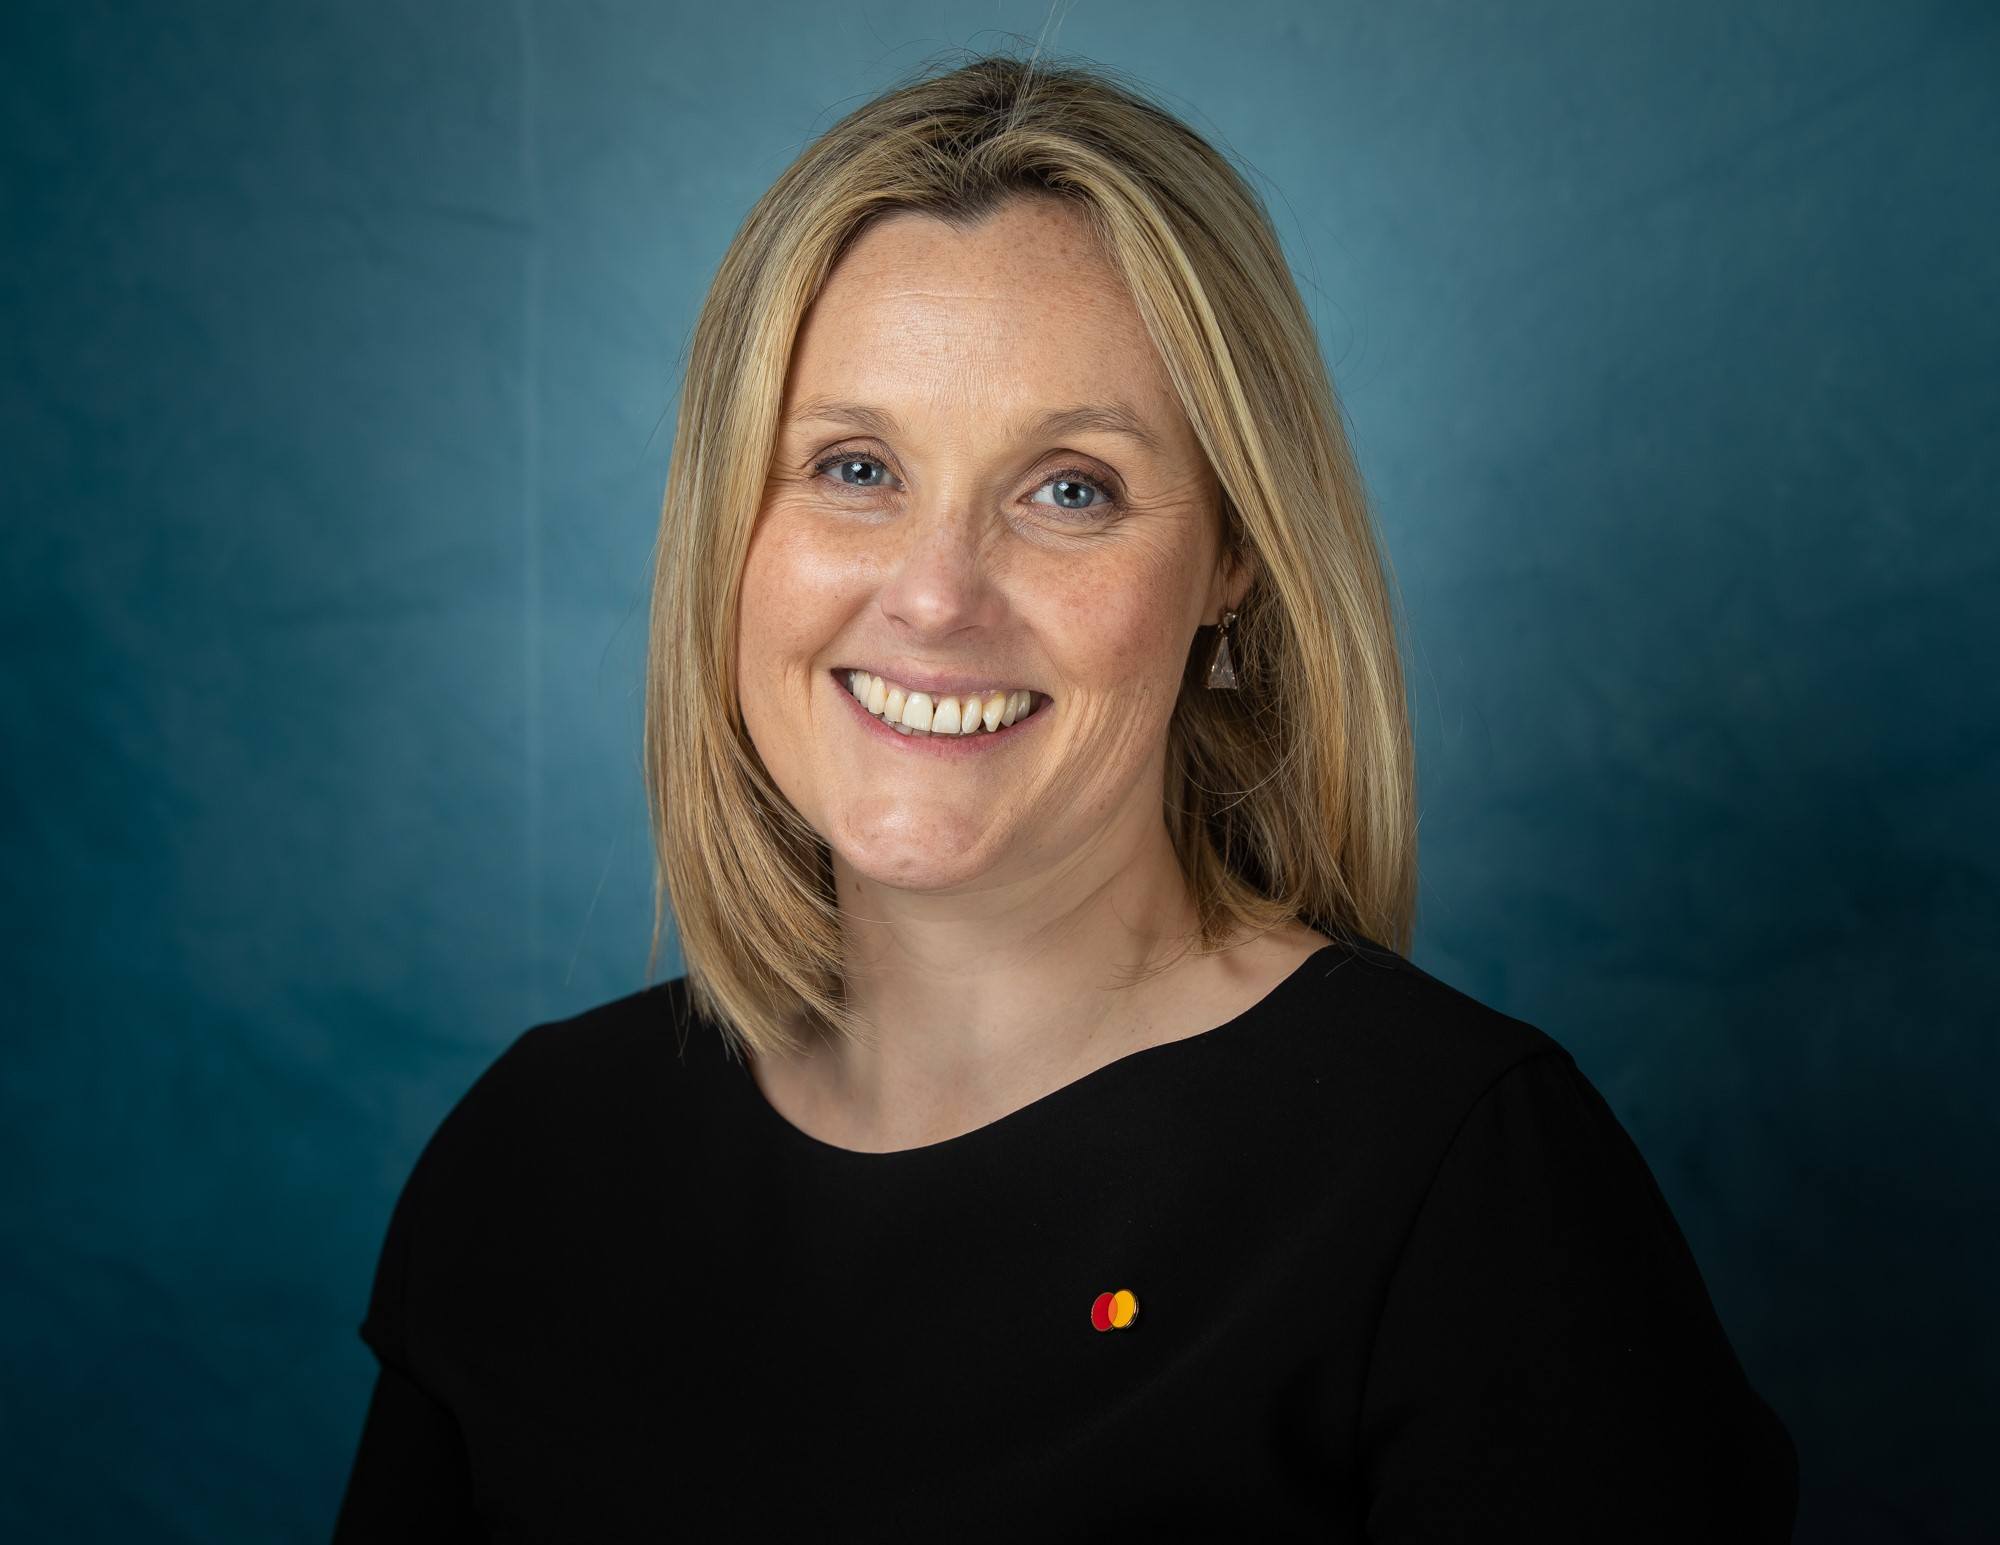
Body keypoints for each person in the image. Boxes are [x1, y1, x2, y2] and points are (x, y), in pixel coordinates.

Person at [332, 50, 1798, 1542]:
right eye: (853, 466)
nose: (935, 594)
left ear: (1234, 557)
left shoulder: (1464, 1183)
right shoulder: (539, 1161)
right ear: (729, 531)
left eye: (1072, 488)